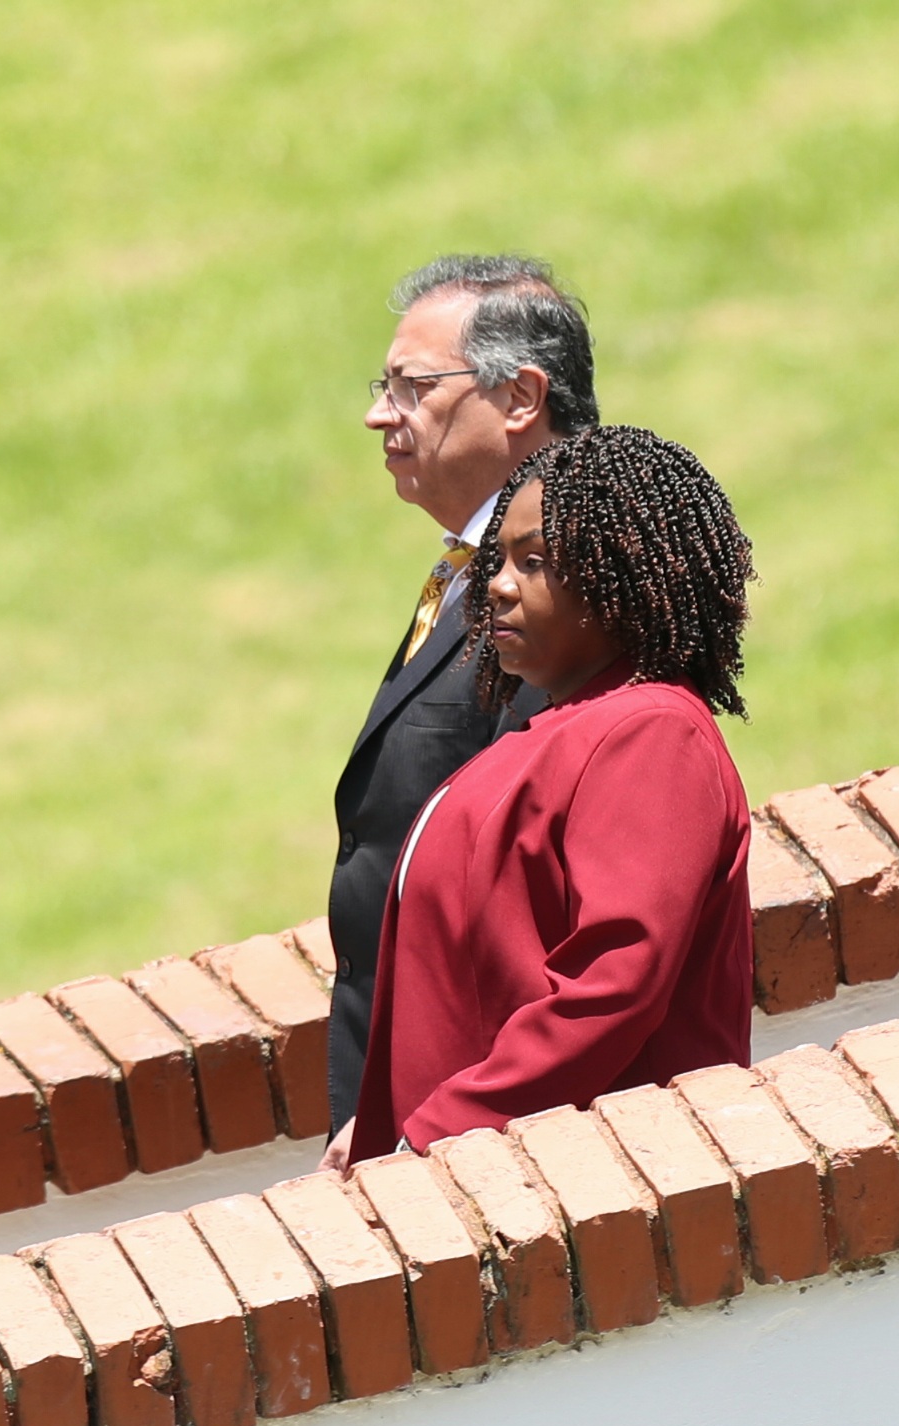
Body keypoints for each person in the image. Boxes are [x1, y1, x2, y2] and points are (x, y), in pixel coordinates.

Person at [333, 425, 756, 1167]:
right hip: (480, 1168)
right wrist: (374, 1134)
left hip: (587, 1184)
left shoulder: (649, 732)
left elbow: (612, 980)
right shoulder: (563, 731)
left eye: (533, 563)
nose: (496, 584)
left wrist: (435, 1134)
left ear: (615, 571)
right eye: (498, 559)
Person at [326, 256, 599, 1136]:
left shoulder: (579, 580)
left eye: (411, 387)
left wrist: (442, 1123)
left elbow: (533, 875)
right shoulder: (470, 571)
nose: (378, 414)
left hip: (484, 1123)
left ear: (520, 398)